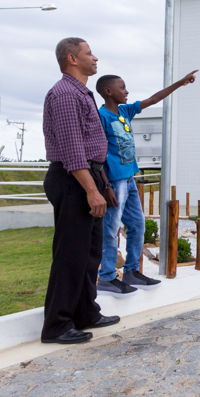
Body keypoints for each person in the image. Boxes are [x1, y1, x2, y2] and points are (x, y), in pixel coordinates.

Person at [41, 37, 120, 344]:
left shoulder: (81, 93)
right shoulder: (64, 94)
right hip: (74, 179)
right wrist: (91, 189)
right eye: (89, 53)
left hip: (89, 176)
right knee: (70, 254)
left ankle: (86, 311)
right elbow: (73, 148)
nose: (95, 57)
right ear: (73, 59)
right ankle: (57, 325)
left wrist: (102, 184)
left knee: (90, 253)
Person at [95, 70, 198, 296]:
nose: (127, 91)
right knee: (111, 230)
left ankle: (131, 271)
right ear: (108, 92)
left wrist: (180, 83)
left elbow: (153, 99)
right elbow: (97, 155)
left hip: (130, 178)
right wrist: (106, 186)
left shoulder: (125, 111)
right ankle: (107, 278)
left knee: (138, 225)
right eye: (122, 88)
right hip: (114, 181)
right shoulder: (101, 117)